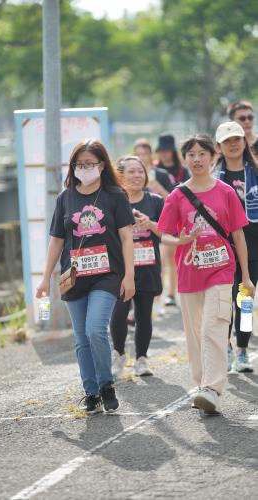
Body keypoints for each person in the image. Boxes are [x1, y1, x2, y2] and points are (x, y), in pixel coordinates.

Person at [157, 133, 255, 415]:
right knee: (195, 334)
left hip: (222, 271)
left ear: (213, 158)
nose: (197, 159)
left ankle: (212, 387)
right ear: (184, 159)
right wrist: (182, 241)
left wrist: (246, 276)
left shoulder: (225, 192)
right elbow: (164, 236)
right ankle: (202, 385)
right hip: (189, 273)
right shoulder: (177, 195)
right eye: (191, 154)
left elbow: (238, 236)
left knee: (214, 325)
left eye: (203, 154)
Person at [36, 139, 135, 415]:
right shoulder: (65, 197)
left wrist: (129, 276)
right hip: (74, 277)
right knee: (81, 338)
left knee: (95, 329)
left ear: (102, 165)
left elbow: (127, 237)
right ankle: (90, 392)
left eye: (90, 163)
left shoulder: (115, 195)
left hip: (107, 275)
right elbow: (56, 240)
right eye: (80, 164)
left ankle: (106, 385)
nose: (85, 168)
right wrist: (45, 278)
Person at [110, 156, 199, 378]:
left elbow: (168, 234)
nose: (137, 176)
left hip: (148, 266)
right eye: (131, 171)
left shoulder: (156, 201)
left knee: (143, 315)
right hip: (121, 269)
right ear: (120, 175)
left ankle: (141, 359)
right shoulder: (113, 201)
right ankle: (118, 354)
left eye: (140, 171)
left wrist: (150, 224)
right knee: (119, 313)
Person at [214, 121, 258, 372]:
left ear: (244, 142)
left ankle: (242, 349)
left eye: (237, 139)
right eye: (227, 140)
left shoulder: (256, 172)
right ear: (219, 146)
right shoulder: (211, 178)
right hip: (220, 248)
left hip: (253, 248)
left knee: (245, 302)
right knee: (223, 302)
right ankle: (226, 347)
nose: (233, 144)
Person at [155, 133, 191, 307]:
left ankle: (172, 293)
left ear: (173, 151)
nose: (164, 154)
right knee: (161, 259)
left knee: (173, 258)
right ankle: (162, 293)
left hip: (178, 220)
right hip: (158, 218)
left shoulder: (183, 171)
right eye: (161, 150)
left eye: (167, 150)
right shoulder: (155, 171)